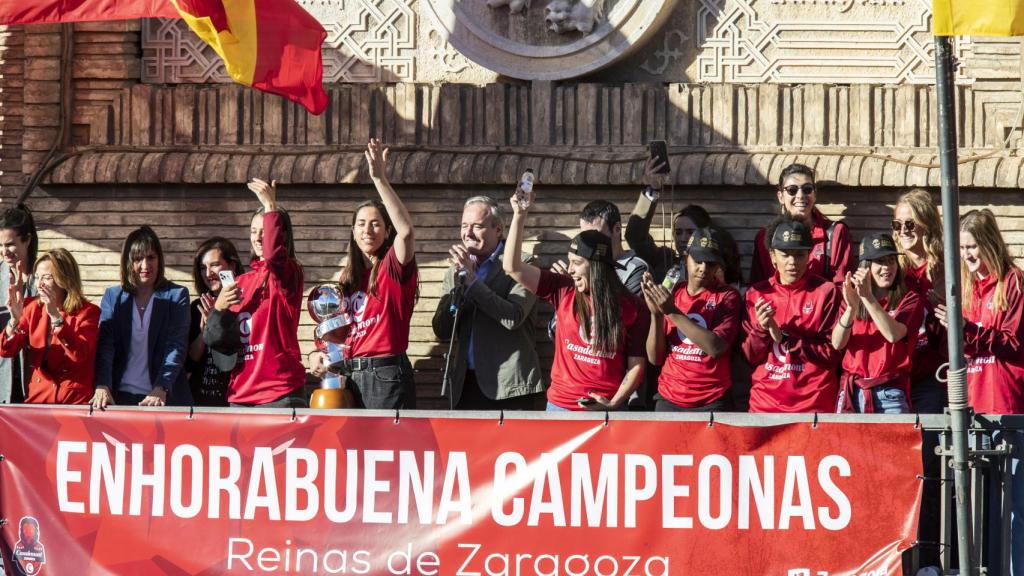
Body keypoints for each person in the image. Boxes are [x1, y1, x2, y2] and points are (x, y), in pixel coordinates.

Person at [504, 188, 648, 411]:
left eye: (577, 263)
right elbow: (512, 267)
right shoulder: (562, 288)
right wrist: (519, 215)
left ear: (598, 267)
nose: (570, 269)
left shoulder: (632, 306)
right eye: (569, 261)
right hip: (560, 407)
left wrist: (612, 404)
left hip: (606, 411)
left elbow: (637, 364)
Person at [937, 209, 1024, 576]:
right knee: (977, 506)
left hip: (1007, 407)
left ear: (989, 243)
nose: (967, 255)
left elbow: (1011, 342)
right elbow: (968, 348)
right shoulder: (968, 288)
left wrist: (967, 330)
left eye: (972, 246)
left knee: (1014, 509)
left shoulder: (1013, 282)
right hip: (974, 407)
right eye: (962, 248)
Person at [431, 195, 544, 410]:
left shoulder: (522, 264)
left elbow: (513, 317)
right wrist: (458, 289)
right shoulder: (455, 270)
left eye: (477, 226)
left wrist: (472, 282)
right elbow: (442, 330)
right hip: (465, 384)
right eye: (464, 226)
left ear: (498, 230)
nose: (468, 233)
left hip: (509, 386)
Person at [207, 179, 306, 408]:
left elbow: (274, 257)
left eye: (265, 231)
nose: (259, 237)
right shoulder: (240, 281)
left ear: (280, 234)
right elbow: (220, 344)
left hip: (279, 392)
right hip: (240, 394)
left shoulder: (288, 273)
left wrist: (271, 207)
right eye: (254, 231)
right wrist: (218, 311)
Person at [337, 138, 418, 409]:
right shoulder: (347, 278)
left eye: (375, 224)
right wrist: (320, 353)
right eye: (361, 224)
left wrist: (379, 178)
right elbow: (339, 331)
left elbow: (406, 232)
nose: (367, 230)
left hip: (385, 375)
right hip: (350, 374)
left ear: (387, 231)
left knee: (387, 438)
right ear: (353, 232)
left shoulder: (392, 266)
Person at [892, 189, 946, 573]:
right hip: (894, 382)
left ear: (927, 224)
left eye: (910, 224)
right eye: (896, 225)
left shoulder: (942, 270)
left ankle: (928, 558)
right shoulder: (893, 267)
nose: (902, 232)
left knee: (926, 469)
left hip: (929, 381)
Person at [742, 215, 842, 413]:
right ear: (772, 256)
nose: (792, 262)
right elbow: (749, 357)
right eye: (785, 254)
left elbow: (832, 354)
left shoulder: (826, 291)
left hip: (813, 406)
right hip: (765, 406)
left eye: (799, 254)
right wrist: (761, 329)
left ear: (810, 255)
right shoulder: (756, 293)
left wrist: (787, 339)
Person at [640, 227, 742, 411]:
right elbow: (655, 358)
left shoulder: (727, 296)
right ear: (686, 257)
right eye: (698, 260)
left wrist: (671, 311)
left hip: (711, 400)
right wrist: (656, 314)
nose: (703, 268)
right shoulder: (674, 292)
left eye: (710, 263)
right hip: (669, 397)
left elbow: (716, 348)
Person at [92, 226, 191, 408]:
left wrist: (161, 386)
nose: (145, 265)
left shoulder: (177, 295)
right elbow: (106, 346)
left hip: (162, 397)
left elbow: (176, 346)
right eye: (138, 259)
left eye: (151, 257)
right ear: (128, 262)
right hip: (119, 397)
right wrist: (102, 384)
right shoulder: (113, 297)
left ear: (159, 259)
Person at [831, 233, 923, 414]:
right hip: (852, 391)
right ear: (865, 267)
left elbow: (893, 335)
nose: (887, 267)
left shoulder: (910, 299)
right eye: (880, 262)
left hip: (889, 394)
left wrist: (867, 297)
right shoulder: (851, 296)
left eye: (891, 261)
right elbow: (837, 343)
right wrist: (851, 308)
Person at [0, 249, 100, 404]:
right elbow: (6, 350)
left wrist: (56, 316)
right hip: (39, 399)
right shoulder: (32, 307)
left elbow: (80, 353)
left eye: (46, 278)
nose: (39, 284)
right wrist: (13, 321)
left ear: (64, 279)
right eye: (37, 277)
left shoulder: (88, 312)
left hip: (73, 401)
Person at [749, 163, 853, 285]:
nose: (800, 196)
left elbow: (842, 287)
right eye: (792, 190)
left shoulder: (835, 234)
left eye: (807, 189)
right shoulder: (765, 238)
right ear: (781, 197)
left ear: (815, 194)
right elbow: (758, 288)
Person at [186, 237, 244, 406]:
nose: (208, 273)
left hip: (237, 399)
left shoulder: (246, 304)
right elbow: (191, 360)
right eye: (203, 268)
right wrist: (206, 330)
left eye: (215, 265)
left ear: (232, 266)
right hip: (202, 400)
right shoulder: (198, 306)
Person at [0, 205, 38, 404]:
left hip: (36, 381)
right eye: (0, 245)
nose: (4, 252)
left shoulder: (43, 276)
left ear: (27, 240)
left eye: (10, 245)